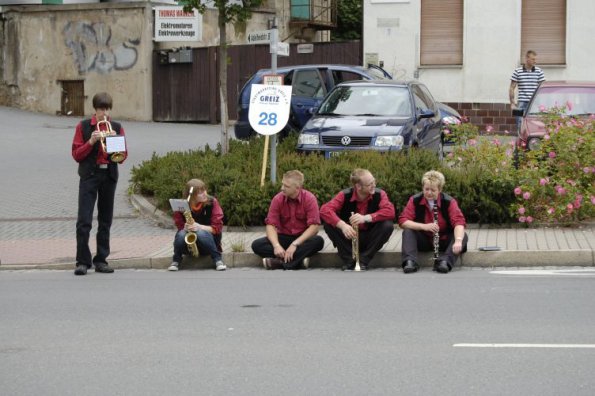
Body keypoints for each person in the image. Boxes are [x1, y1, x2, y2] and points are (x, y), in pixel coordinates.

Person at [71, 92, 127, 276]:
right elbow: (76, 155)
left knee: (105, 220)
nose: (104, 113)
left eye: (107, 109)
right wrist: (91, 141)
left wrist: (113, 143)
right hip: (89, 175)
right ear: (95, 109)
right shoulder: (84, 126)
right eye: (101, 109)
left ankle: (101, 260)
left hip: (109, 175)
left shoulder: (116, 127)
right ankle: (82, 261)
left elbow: (122, 156)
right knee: (84, 220)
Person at [320, 169, 395, 271]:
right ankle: (349, 261)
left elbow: (390, 211)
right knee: (328, 224)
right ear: (358, 187)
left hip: (370, 237)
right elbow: (324, 210)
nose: (374, 185)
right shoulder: (344, 195)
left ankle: (364, 260)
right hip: (349, 236)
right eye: (370, 184)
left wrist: (366, 218)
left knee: (387, 225)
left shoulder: (380, 194)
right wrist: (342, 225)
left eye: (374, 181)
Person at [252, 170, 324, 270]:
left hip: (301, 239)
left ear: (297, 188)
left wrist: (295, 244)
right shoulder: (277, 199)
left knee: (318, 241)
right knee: (257, 245)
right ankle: (298, 262)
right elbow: (270, 225)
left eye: (287, 186)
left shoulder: (309, 199)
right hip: (283, 237)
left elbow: (314, 227)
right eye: (282, 184)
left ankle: (280, 263)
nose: (282, 188)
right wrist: (276, 245)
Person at [398, 170, 468, 274]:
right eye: (426, 189)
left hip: (443, 239)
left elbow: (459, 222)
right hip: (424, 239)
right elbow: (403, 221)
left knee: (463, 236)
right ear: (422, 188)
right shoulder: (415, 200)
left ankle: (445, 262)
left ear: (440, 189)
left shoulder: (449, 202)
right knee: (408, 231)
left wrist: (458, 240)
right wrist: (424, 226)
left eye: (433, 190)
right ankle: (410, 261)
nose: (429, 193)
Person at [170, 179, 226, 271]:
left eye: (204, 190)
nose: (205, 194)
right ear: (191, 196)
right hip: (189, 247)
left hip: (210, 243)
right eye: (200, 193)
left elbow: (218, 228)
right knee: (180, 234)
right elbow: (179, 226)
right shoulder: (181, 205)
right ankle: (176, 261)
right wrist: (184, 227)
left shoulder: (212, 202)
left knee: (200, 233)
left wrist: (199, 227)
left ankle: (217, 260)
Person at [509, 50, 545, 131]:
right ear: (527, 58)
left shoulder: (539, 71)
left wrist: (542, 103)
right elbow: (511, 88)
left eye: (535, 59)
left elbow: (542, 88)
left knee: (535, 124)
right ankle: (519, 142)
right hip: (521, 102)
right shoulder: (517, 71)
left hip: (535, 103)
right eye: (533, 59)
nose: (535, 61)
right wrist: (512, 103)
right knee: (519, 123)